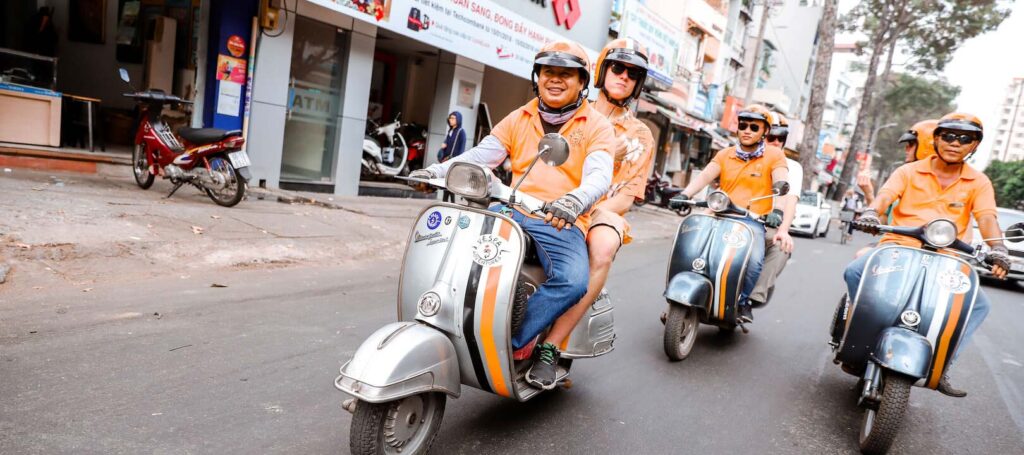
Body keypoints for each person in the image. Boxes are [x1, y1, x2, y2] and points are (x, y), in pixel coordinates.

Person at [409, 40, 617, 389]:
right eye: (549, 71)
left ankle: (514, 341)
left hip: (559, 219)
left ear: (582, 82)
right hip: (510, 208)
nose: (555, 79)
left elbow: (599, 175)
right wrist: (434, 172)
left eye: (567, 74)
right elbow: (481, 155)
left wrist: (573, 201)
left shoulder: (596, 126)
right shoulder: (520, 117)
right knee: (450, 247)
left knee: (573, 280)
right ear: (537, 77)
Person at [843, 112, 1010, 397]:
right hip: (899, 248)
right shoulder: (908, 171)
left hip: (948, 260)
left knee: (978, 305)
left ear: (975, 146)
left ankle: (943, 364)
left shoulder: (979, 182)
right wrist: (872, 212)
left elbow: (986, 218)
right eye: (948, 136)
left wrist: (998, 248)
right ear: (935, 139)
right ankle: (854, 338)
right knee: (855, 271)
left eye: (965, 138)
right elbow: (885, 196)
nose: (955, 143)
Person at [535, 39, 655, 388]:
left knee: (601, 248)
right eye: (617, 67)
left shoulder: (640, 135)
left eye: (633, 74)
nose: (624, 76)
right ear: (601, 71)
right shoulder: (570, 107)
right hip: (547, 199)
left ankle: (552, 347)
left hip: (603, 210)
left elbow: (629, 194)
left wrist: (585, 210)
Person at [669, 105, 791, 324]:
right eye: (743, 125)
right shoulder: (725, 154)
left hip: (751, 222)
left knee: (753, 261)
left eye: (754, 127)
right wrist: (684, 194)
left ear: (764, 132)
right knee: (691, 249)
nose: (747, 130)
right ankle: (677, 300)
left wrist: (778, 210)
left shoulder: (774, 155)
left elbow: (781, 181)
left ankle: (743, 302)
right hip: (719, 215)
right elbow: (705, 176)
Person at [748, 113, 800, 307]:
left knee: (781, 245)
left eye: (781, 139)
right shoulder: (746, 156)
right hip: (736, 218)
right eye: (772, 138)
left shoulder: (792, 167)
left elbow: (790, 199)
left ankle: (754, 295)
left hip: (766, 224)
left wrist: (783, 229)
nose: (776, 142)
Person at [438, 111, 467, 202]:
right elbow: (447, 144)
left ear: (458, 119)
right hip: (447, 160)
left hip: (454, 161)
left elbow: (461, 149)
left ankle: (450, 202)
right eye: (450, 118)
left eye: (453, 118)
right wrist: (444, 146)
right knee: (447, 183)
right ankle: (446, 201)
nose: (451, 120)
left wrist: (458, 161)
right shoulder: (450, 131)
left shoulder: (461, 132)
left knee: (450, 183)